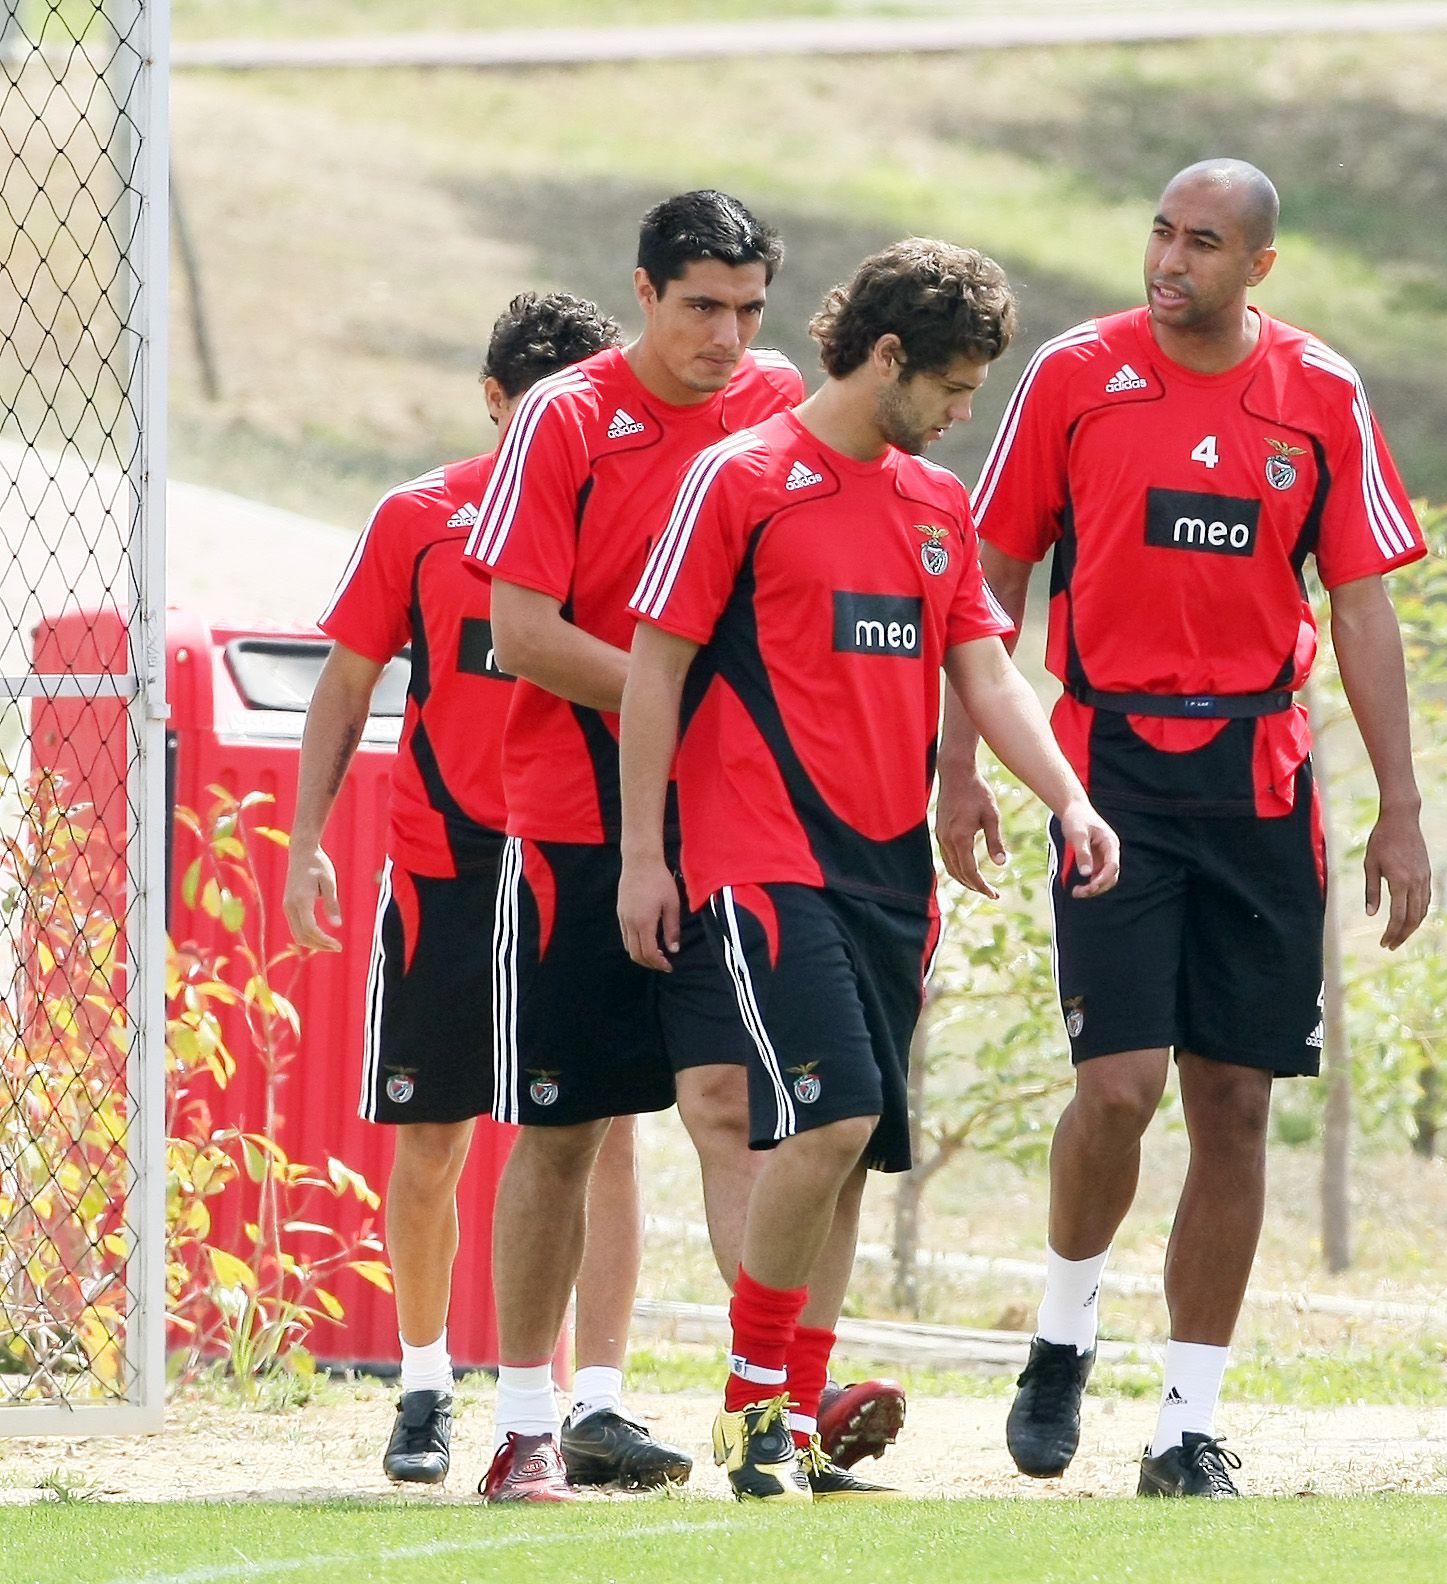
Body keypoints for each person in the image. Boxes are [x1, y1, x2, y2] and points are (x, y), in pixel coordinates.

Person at [937, 159, 1432, 1498]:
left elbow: (1362, 606)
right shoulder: (1072, 376)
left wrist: (1401, 808)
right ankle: (1061, 1329)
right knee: (1119, 1089)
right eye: (1159, 232)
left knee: (1232, 1102)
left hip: (1261, 783)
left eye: (1201, 243)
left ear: (1256, 266)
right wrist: (961, 769)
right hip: (1107, 778)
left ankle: (1182, 1425)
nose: (1168, 260)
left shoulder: (1318, 393)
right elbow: (990, 581)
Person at [617, 237, 1121, 1504]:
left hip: (892, 874)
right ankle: (748, 1414)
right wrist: (641, 856)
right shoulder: (745, 478)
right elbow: (655, 669)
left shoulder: (932, 506)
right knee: (830, 1113)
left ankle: (797, 1423)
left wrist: (1066, 797)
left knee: (841, 1149)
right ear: (886, 356)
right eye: (952, 388)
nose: (962, 416)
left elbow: (987, 674)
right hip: (759, 857)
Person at [465, 191, 909, 1503]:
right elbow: (525, 633)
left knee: (736, 1109)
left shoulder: (775, 401)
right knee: (563, 1131)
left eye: (749, 309)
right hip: (576, 827)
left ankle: (776, 1404)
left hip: (723, 836)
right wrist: (687, 696)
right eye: (702, 307)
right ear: (646, 293)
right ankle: (527, 1424)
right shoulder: (564, 417)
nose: (728, 336)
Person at [285, 292, 692, 1491]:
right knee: (432, 1133)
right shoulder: (420, 516)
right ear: (494, 400)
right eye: (533, 408)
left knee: (598, 1129)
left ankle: (596, 1406)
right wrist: (308, 838)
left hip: (570, 851)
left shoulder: (632, 505)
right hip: (447, 865)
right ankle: (422, 1388)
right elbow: (345, 689)